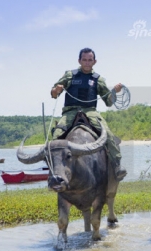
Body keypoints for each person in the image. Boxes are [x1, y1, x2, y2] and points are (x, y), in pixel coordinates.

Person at [50, 47, 127, 181]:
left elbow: (108, 102)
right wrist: (56, 89)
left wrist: (114, 92)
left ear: (94, 62)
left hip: (90, 111)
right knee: (56, 135)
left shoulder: (98, 79)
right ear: (79, 61)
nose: (87, 62)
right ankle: (53, 169)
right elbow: (53, 94)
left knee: (107, 134)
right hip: (70, 111)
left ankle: (117, 164)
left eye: (89, 60)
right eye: (84, 60)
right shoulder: (69, 75)